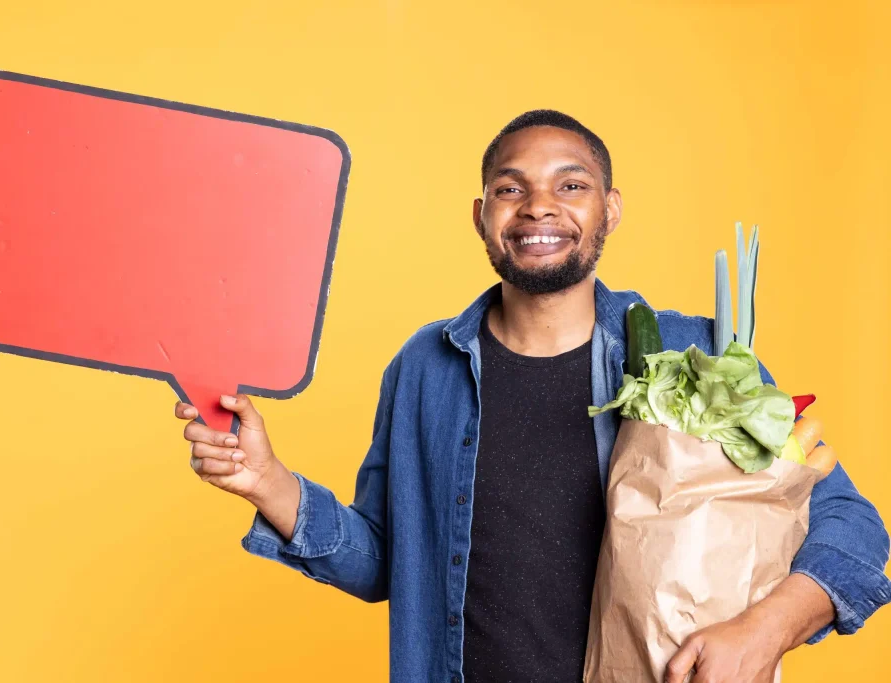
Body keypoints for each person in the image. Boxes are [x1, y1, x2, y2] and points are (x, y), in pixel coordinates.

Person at [175, 110, 891, 683]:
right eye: (511, 187)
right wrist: (267, 482)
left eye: (570, 185)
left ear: (610, 211)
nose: (538, 206)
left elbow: (855, 530)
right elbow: (390, 562)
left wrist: (761, 632)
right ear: (482, 213)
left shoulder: (693, 353)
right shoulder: (424, 367)